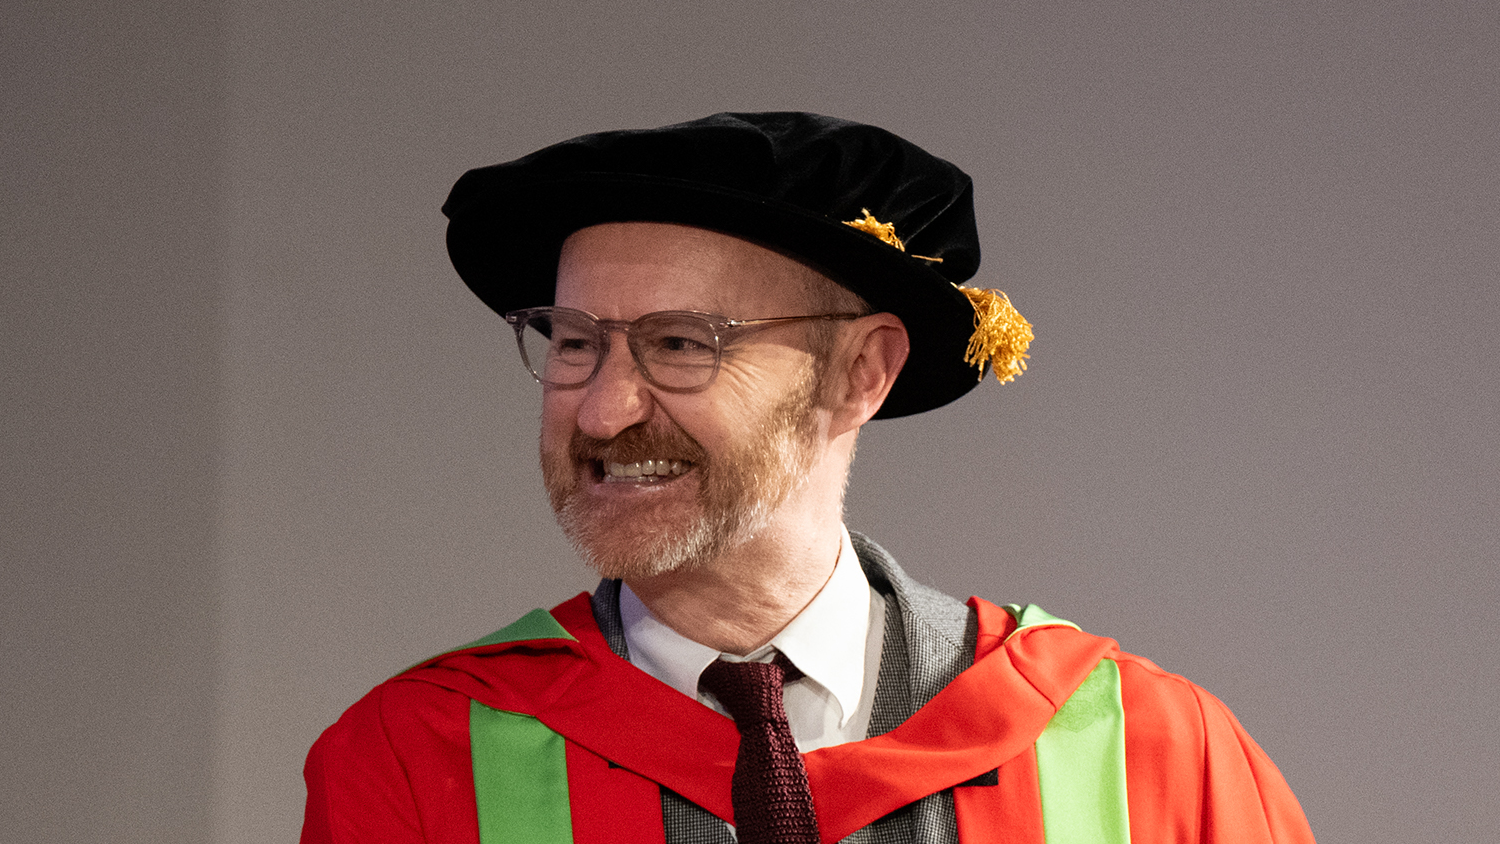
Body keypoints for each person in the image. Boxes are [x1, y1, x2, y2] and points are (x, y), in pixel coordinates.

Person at [301, 112, 1314, 844]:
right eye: (571, 341)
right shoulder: (418, 765)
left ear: (860, 372)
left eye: (681, 344)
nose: (604, 409)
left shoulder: (1149, 758)